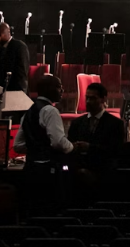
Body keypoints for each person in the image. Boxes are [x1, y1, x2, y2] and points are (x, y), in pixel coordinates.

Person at [14, 74, 80, 215]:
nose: (62, 91)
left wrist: (36, 146)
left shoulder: (28, 112)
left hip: (30, 168)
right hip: (48, 171)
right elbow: (58, 142)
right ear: (48, 89)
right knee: (49, 210)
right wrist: (73, 147)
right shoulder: (50, 111)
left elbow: (18, 145)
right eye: (59, 87)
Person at [66, 82, 125, 168]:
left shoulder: (115, 124)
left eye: (93, 98)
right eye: (87, 98)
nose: (88, 101)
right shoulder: (77, 123)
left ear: (103, 99)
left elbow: (116, 151)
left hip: (103, 170)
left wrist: (90, 148)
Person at [0, 22, 30, 94]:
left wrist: (21, 93)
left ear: (7, 32)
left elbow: (22, 73)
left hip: (16, 91)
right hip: (0, 90)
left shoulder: (20, 46)